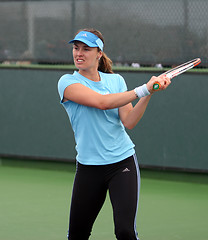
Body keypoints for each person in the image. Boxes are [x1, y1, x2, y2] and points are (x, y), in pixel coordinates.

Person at [58, 28, 171, 240]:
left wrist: (149, 93)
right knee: (77, 234)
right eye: (76, 48)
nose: (79, 53)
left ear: (99, 53)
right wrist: (143, 89)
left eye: (86, 49)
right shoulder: (67, 82)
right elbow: (101, 103)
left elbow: (129, 121)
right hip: (88, 168)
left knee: (125, 231)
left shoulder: (116, 81)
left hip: (122, 164)